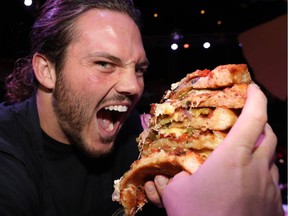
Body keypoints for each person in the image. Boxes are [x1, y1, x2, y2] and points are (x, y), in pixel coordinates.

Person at [0, 0, 284, 216]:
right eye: (104, 64)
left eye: (139, 69)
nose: (134, 86)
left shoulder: (141, 136)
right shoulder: (7, 150)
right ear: (47, 71)